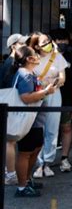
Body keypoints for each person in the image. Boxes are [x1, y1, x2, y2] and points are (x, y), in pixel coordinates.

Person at [13, 46, 57, 197]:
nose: (38, 57)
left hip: (34, 120)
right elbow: (26, 97)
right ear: (29, 59)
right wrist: (46, 92)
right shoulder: (25, 75)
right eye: (34, 55)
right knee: (25, 152)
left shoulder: (29, 74)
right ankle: (21, 186)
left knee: (36, 147)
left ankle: (27, 179)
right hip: (27, 120)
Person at [29, 32, 69, 178]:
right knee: (39, 128)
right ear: (37, 46)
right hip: (38, 95)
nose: (48, 44)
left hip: (53, 93)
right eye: (44, 42)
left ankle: (48, 162)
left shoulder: (57, 57)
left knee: (52, 127)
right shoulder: (32, 58)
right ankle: (38, 163)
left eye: (49, 41)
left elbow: (63, 77)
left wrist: (52, 84)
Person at [50, 29, 72, 172]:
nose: (62, 43)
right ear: (53, 42)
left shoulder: (71, 58)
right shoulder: (46, 58)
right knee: (47, 130)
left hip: (67, 100)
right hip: (47, 99)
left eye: (64, 40)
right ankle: (43, 161)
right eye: (59, 40)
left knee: (67, 128)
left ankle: (64, 158)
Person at [2, 33, 28, 186]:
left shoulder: (12, 62)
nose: (25, 45)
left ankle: (9, 172)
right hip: (8, 104)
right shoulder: (11, 64)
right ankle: (10, 173)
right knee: (10, 140)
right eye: (21, 43)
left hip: (8, 103)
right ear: (13, 46)